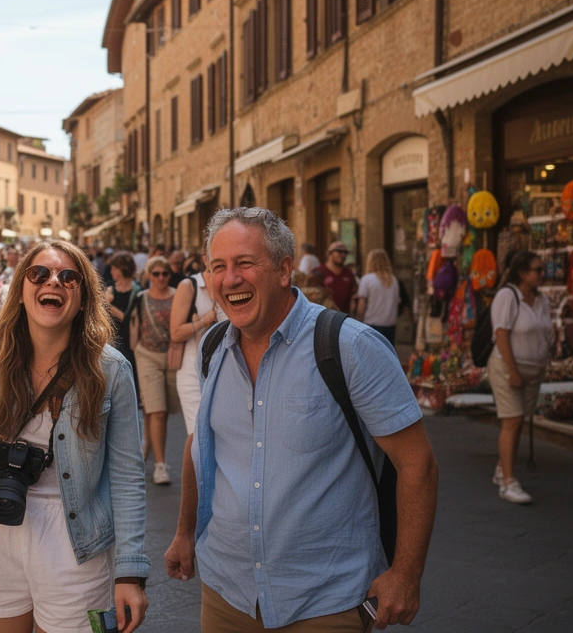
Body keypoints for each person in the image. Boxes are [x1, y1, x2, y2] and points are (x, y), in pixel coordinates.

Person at [165, 208, 438, 632]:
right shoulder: (213, 348)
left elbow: (417, 463)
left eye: (245, 263)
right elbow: (199, 444)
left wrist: (406, 574)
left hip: (323, 601)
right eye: (218, 267)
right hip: (226, 592)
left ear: (283, 269)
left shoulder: (351, 347)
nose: (230, 279)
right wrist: (185, 532)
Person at [0, 240, 150, 633]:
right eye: (39, 273)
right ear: (21, 289)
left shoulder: (112, 370)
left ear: (84, 295)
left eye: (68, 277)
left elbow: (128, 477)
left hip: (76, 545)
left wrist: (131, 573)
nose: (52, 281)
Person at [488, 250, 554, 505]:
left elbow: (545, 331)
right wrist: (513, 371)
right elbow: (501, 334)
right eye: (537, 270)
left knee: (519, 421)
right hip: (507, 368)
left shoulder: (541, 300)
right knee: (512, 421)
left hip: (533, 369)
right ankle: (508, 483)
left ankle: (502, 469)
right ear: (522, 273)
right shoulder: (507, 296)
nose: (542, 273)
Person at [133, 256, 180, 485]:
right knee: (158, 411)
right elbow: (130, 324)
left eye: (165, 273)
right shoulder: (141, 298)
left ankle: (147, 444)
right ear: (149, 275)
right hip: (147, 356)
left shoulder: (179, 295)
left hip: (172, 357)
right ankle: (160, 467)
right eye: (156, 274)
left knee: (162, 410)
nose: (161, 278)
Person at [170, 258, 224, 437]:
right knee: (197, 435)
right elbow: (175, 333)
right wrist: (205, 320)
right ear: (204, 258)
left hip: (225, 371)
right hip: (192, 371)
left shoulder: (229, 283)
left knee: (221, 436)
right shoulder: (189, 285)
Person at [353, 249, 403, 345]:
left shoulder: (367, 279)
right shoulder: (393, 280)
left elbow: (361, 307)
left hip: (371, 325)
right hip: (390, 324)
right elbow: (397, 302)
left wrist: (357, 323)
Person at [316, 241, 359, 313]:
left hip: (344, 318)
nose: (343, 255)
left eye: (345, 252)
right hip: (324, 317)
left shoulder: (348, 272)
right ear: (329, 254)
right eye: (339, 251)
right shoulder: (318, 272)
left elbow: (354, 294)